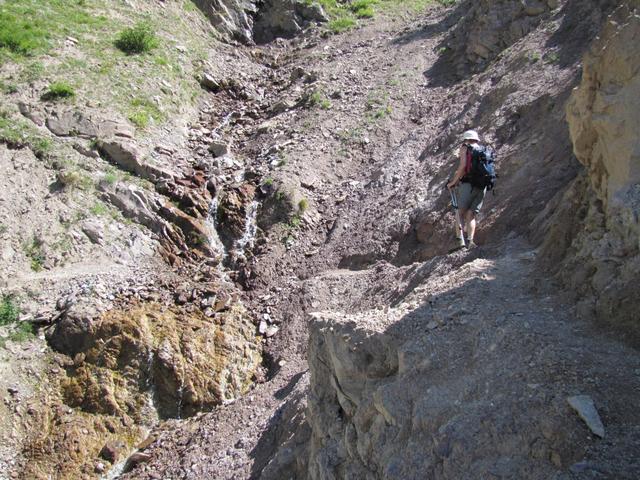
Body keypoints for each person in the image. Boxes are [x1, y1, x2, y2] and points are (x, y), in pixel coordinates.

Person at [447, 130, 486, 249]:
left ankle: (461, 243)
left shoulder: (465, 148)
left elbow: (463, 166)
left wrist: (453, 182)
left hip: (468, 184)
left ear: (466, 139)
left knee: (459, 213)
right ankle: (471, 242)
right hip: (482, 185)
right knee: (471, 214)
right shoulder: (483, 149)